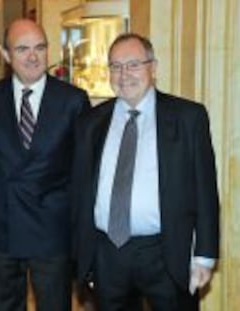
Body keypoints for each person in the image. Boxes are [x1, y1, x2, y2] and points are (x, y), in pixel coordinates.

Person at [72, 32, 220, 310]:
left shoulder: (188, 118)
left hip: (166, 253)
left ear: (154, 68)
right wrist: (84, 258)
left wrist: (204, 256)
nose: (123, 74)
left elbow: (205, 190)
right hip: (108, 254)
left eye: (133, 64)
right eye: (115, 66)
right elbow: (80, 194)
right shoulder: (90, 123)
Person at [0, 18, 90, 311]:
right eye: (22, 48)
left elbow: (83, 174)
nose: (32, 56)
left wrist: (81, 236)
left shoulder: (73, 101)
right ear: (5, 55)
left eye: (40, 47)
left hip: (52, 230)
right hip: (2, 227)